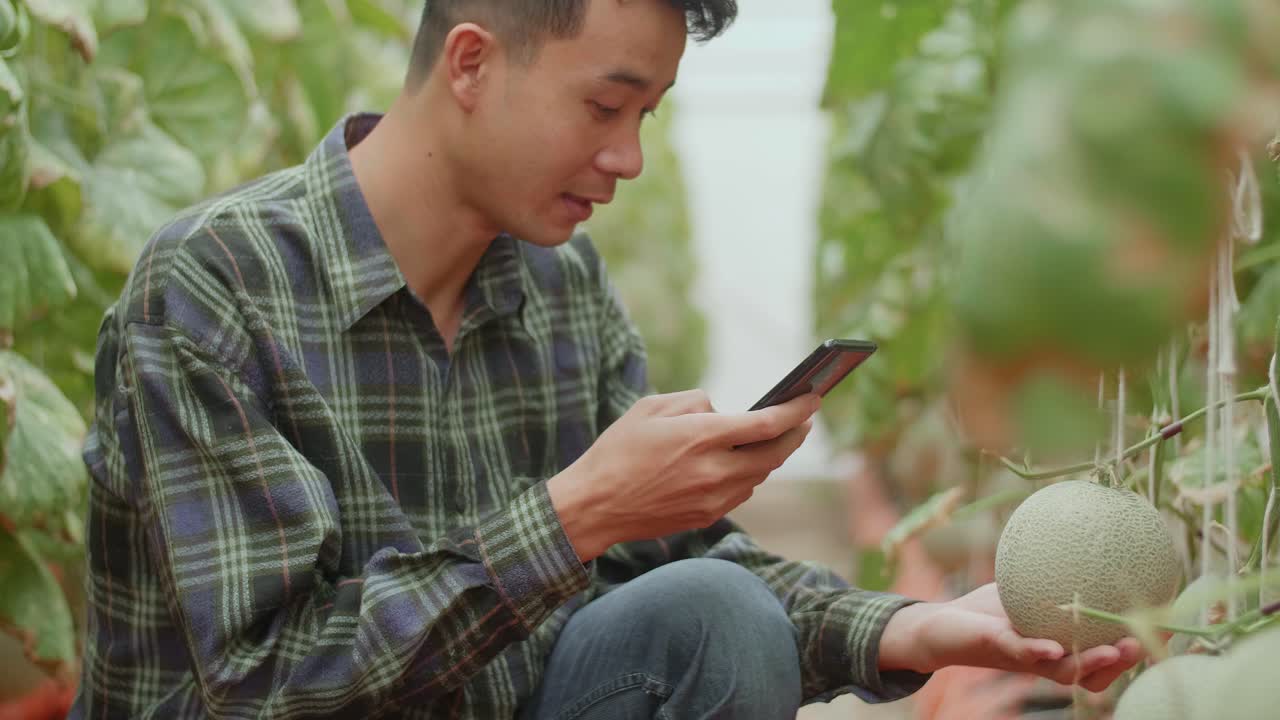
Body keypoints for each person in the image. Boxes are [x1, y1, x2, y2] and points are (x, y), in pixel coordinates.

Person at [70, 1, 1145, 718]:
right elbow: (263, 683)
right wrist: (576, 513)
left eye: (647, 114)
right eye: (603, 104)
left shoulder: (557, 288)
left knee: (712, 616)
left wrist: (917, 627)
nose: (627, 156)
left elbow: (693, 571)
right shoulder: (214, 289)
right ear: (472, 63)